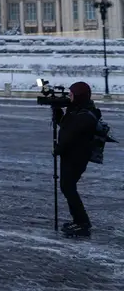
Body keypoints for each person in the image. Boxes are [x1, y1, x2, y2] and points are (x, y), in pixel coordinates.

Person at [52, 81, 101, 237]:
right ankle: (79, 220)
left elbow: (71, 135)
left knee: (68, 187)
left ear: (79, 96)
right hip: (71, 155)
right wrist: (58, 113)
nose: (69, 96)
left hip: (76, 157)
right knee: (67, 187)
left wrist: (59, 148)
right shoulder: (78, 111)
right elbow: (66, 127)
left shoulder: (85, 115)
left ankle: (82, 222)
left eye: (72, 94)